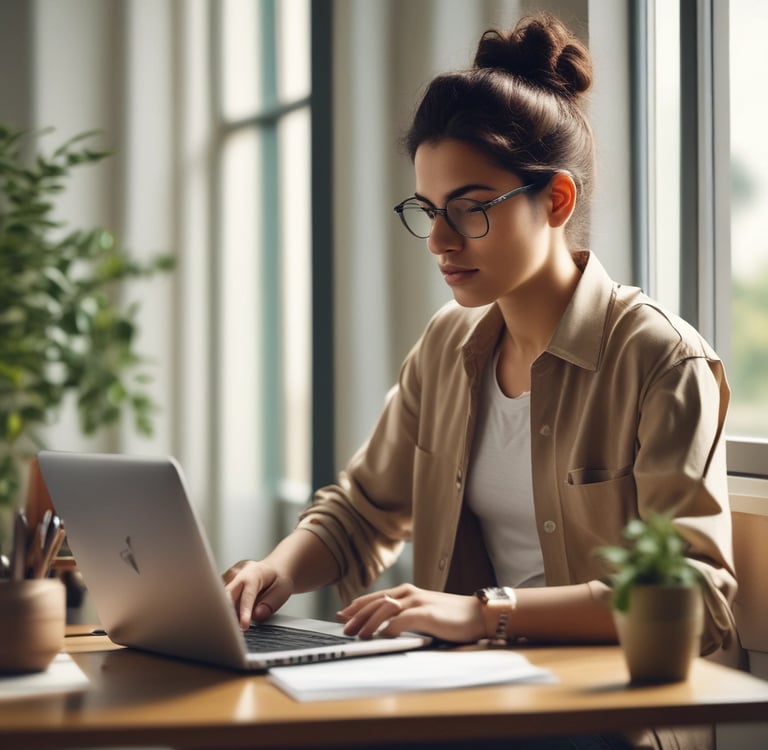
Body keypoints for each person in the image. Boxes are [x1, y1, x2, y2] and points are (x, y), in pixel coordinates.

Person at [224, 13, 737, 750]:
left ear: (555, 201)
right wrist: (273, 571)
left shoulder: (658, 359)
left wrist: (484, 613)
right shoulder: (449, 344)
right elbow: (362, 511)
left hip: (604, 715)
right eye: (430, 211)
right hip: (468, 693)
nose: (439, 239)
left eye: (469, 209)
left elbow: (695, 595)